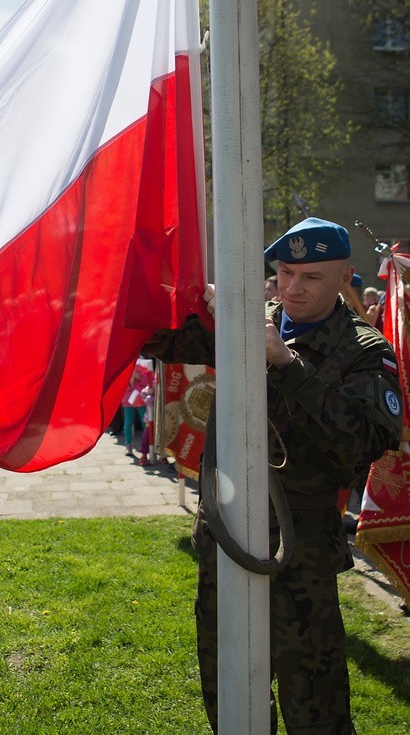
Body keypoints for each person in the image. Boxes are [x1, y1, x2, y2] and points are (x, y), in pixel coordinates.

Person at [144, 217, 403, 735]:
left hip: (300, 558)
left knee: (315, 708)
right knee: (229, 695)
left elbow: (362, 443)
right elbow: (157, 336)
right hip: (228, 541)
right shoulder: (248, 319)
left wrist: (288, 365)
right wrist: (195, 296)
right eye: (284, 273)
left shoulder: (365, 351)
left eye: (310, 277)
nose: (291, 288)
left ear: (344, 277)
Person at [121, 357, 150, 454]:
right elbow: (122, 385)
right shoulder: (125, 365)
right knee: (128, 423)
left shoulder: (144, 364)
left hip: (141, 399)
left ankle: (147, 445)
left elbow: (148, 382)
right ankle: (128, 445)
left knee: (145, 422)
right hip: (128, 400)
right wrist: (131, 379)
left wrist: (139, 377)